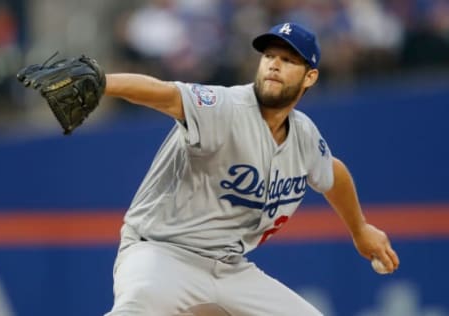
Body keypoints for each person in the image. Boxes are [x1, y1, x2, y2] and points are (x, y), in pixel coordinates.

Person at [103, 22, 400, 316]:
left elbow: (333, 173)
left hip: (229, 267)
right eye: (269, 56)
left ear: (310, 77)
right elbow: (166, 95)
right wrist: (103, 83)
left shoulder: (304, 136)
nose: (274, 65)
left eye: (287, 60)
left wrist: (359, 229)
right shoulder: (226, 106)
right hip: (161, 252)